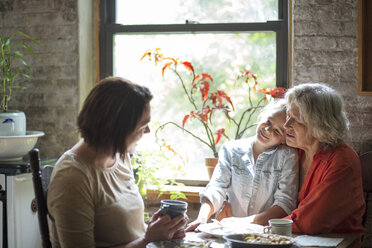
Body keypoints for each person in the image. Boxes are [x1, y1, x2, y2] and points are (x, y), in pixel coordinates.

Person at [47, 77, 188, 248]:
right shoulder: (72, 178)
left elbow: (128, 232)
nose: (149, 131)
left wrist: (161, 231)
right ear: (117, 129)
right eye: (143, 126)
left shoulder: (120, 157)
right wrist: (146, 241)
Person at [186, 99, 299, 231]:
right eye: (268, 121)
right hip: (228, 231)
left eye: (277, 131)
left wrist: (244, 223)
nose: (267, 130)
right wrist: (202, 218)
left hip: (265, 234)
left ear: (285, 139)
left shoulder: (288, 156)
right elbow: (217, 187)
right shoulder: (231, 149)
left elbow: (285, 203)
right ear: (263, 115)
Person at [282, 83, 365, 236]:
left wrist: (262, 229)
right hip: (294, 239)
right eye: (288, 116)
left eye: (296, 120)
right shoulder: (293, 151)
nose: (286, 125)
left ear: (319, 124)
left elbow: (310, 222)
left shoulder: (342, 161)